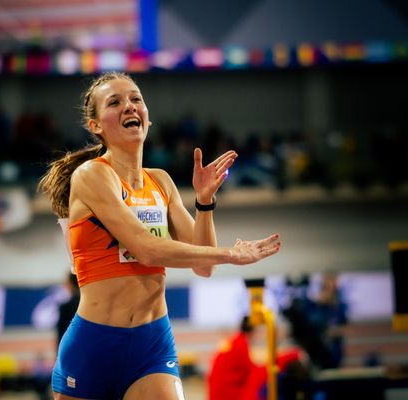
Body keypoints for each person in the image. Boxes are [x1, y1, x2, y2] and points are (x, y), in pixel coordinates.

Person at [37, 71, 281, 400]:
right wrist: (231, 254)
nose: (129, 106)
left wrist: (204, 203)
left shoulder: (161, 182)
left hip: (152, 343)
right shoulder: (92, 175)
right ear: (95, 125)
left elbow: (202, 265)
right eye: (115, 102)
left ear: (147, 118)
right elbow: (148, 249)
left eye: (136, 99)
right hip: (95, 344)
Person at [207, 316, 261, 400]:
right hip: (226, 392)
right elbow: (250, 369)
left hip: (215, 390)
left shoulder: (234, 341)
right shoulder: (241, 344)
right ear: (253, 331)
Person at [56, 271, 80, 346]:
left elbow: (61, 334)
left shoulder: (65, 307)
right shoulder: (91, 304)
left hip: (71, 346)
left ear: (70, 284)